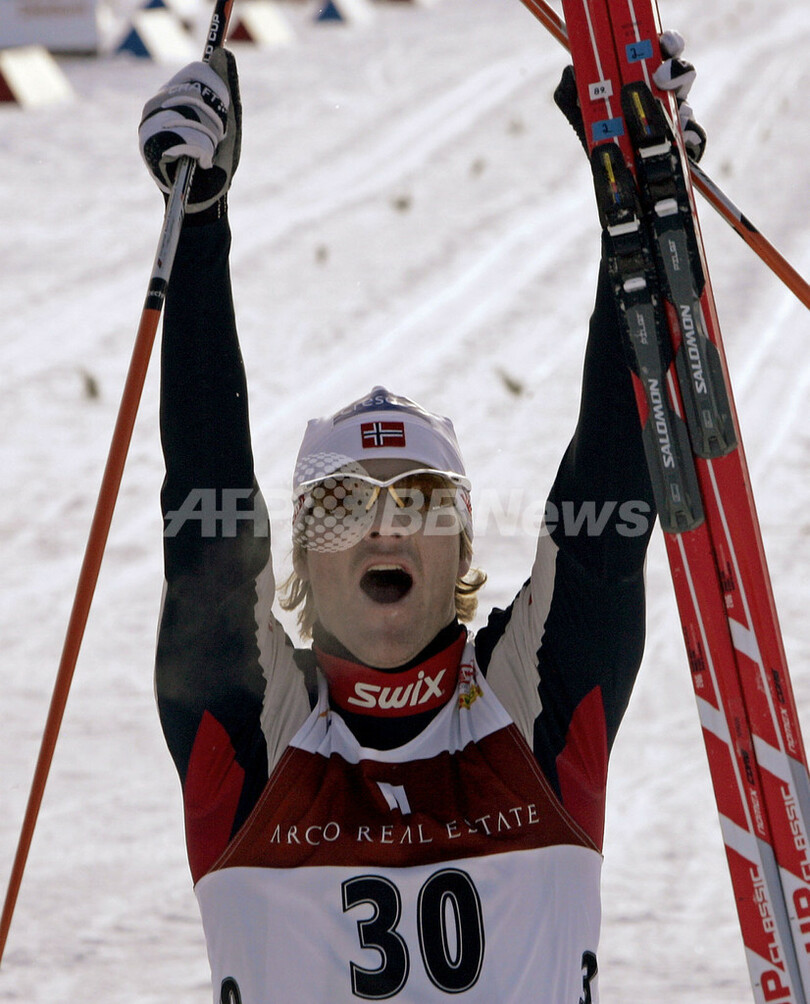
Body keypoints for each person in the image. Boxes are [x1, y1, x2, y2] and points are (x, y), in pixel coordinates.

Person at [140, 34, 702, 1004]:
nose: (386, 523)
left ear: (464, 547)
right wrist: (195, 225)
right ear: (299, 560)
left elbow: (607, 512)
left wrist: (641, 214)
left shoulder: (524, 704)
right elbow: (207, 521)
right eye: (343, 502)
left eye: (420, 499)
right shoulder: (261, 733)